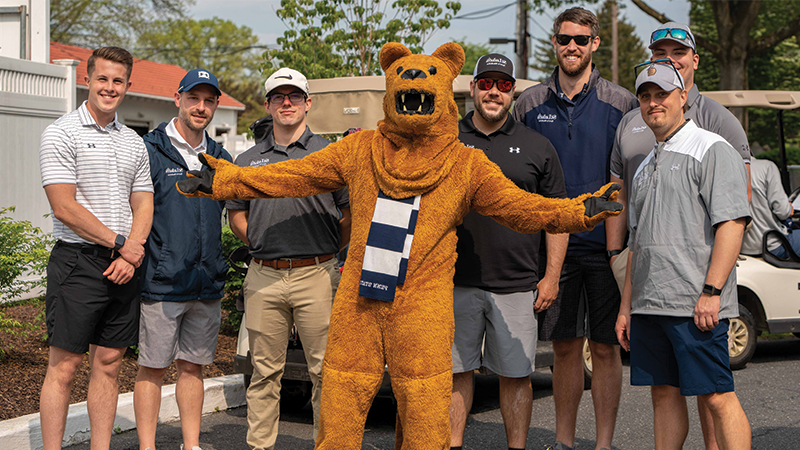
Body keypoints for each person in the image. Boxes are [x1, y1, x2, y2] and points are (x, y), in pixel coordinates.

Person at [607, 22, 753, 450]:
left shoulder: (711, 147)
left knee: (718, 397)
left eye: (662, 95)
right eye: (646, 96)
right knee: (663, 396)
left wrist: (712, 290)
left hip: (697, 306)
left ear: (682, 96)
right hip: (651, 306)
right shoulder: (649, 160)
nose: (653, 103)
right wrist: (626, 307)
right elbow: (640, 241)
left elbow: (732, 223)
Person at [512, 7, 637, 450]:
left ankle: (602, 444)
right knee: (564, 348)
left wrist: (617, 243)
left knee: (605, 349)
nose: (572, 46)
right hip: (552, 251)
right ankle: (564, 442)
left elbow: (626, 179)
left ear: (594, 44)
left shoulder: (622, 103)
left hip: (605, 245)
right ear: (555, 42)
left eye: (581, 40)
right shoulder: (528, 103)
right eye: (565, 38)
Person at [226, 67, 351, 450]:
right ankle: (260, 445)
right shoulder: (247, 159)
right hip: (264, 275)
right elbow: (236, 214)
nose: (286, 103)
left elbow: (347, 214)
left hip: (318, 275)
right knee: (263, 372)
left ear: (307, 103)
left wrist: (328, 250)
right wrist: (260, 242)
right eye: (278, 97)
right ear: (267, 104)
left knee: (325, 373)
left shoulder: (331, 155)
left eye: (294, 96)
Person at [449, 53, 568, 450]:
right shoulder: (447, 140)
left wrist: (550, 277)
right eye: (486, 83)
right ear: (473, 88)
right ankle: (452, 445)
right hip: (454, 282)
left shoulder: (537, 145)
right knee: (454, 372)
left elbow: (556, 217)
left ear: (512, 91)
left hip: (517, 285)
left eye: (503, 85)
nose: (494, 92)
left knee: (516, 376)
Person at [38, 46, 154, 450]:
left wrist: (131, 251)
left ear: (127, 85)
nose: (109, 87)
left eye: (118, 81)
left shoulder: (133, 142)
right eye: (102, 78)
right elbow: (64, 206)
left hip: (125, 265)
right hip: (78, 264)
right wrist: (123, 244)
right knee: (64, 367)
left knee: (108, 364)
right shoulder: (61, 132)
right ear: (88, 79)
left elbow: (143, 202)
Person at [132, 69, 232, 450]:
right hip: (162, 280)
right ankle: (147, 446)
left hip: (205, 285)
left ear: (215, 106)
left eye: (209, 101)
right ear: (178, 99)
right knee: (152, 369)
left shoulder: (220, 157)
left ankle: (191, 445)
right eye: (194, 98)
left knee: (193, 367)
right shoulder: (150, 148)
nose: (201, 107)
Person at [742, 158, 796, 257]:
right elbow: (783, 212)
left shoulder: (720, 172)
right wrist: (789, 208)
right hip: (771, 245)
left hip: (740, 248)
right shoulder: (767, 167)